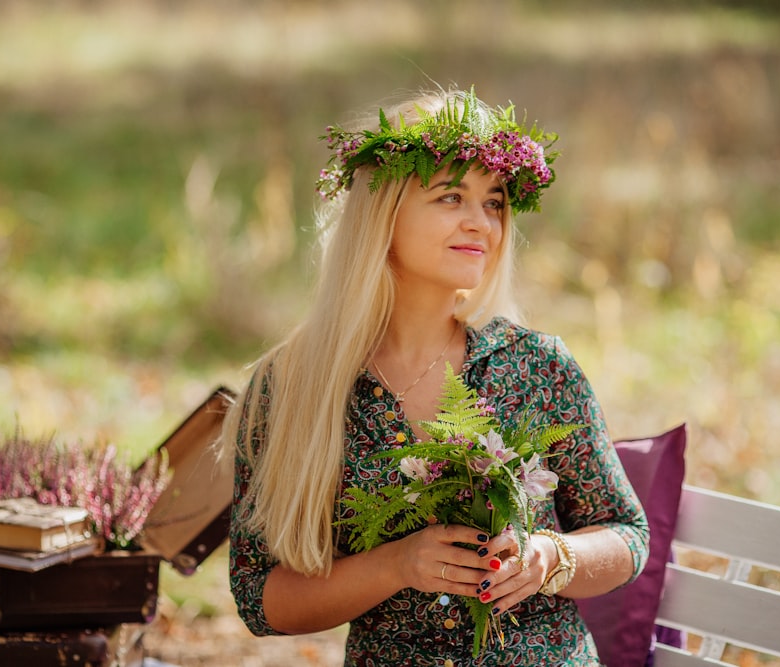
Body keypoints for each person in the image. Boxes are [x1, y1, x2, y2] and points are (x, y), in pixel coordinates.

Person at [220, 86, 650, 666]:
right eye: (452, 197)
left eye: (494, 202)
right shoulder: (293, 387)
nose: (482, 224)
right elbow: (260, 598)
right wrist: (396, 565)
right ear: (384, 210)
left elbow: (627, 533)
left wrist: (550, 558)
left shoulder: (537, 367)